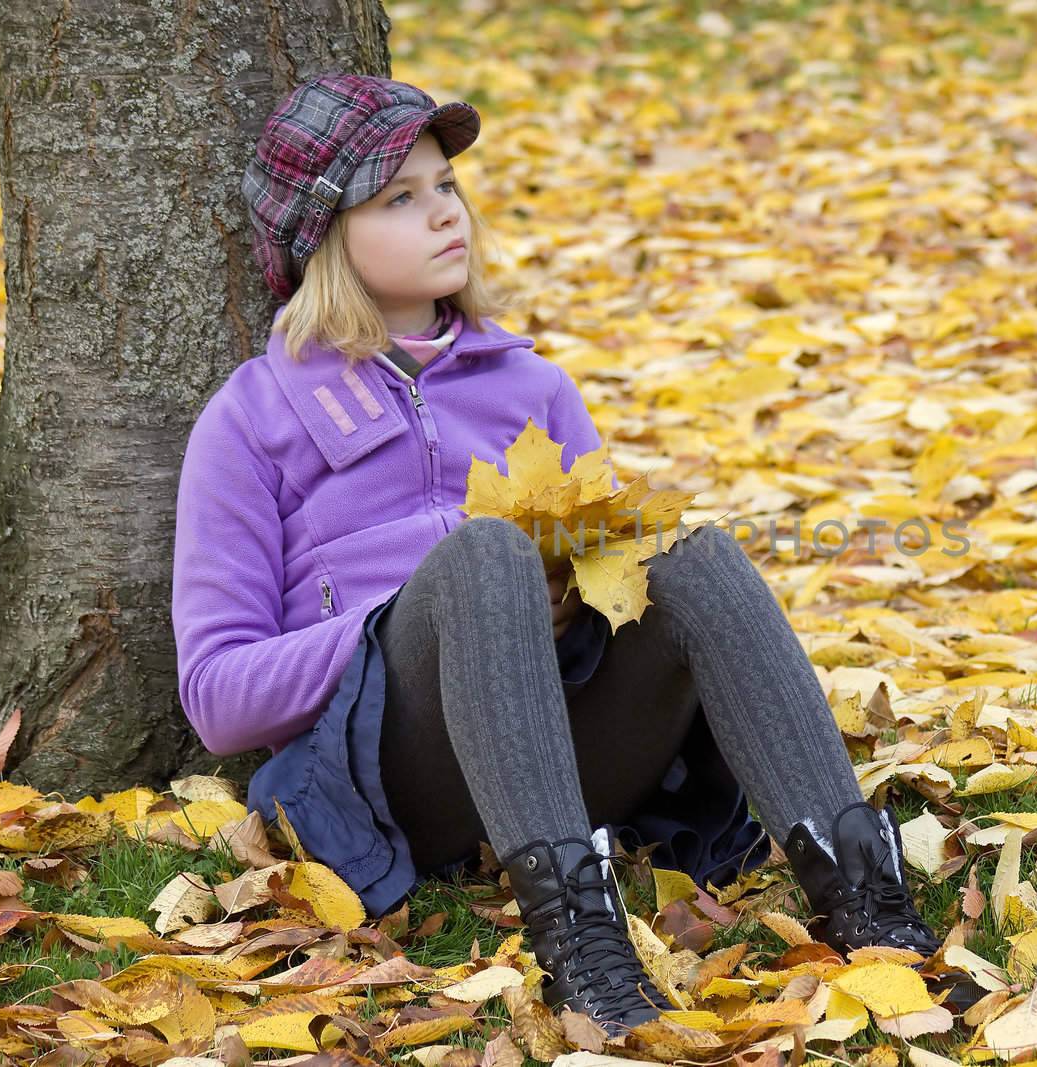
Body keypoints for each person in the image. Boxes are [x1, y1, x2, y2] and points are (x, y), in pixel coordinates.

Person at [171, 73, 971, 1037]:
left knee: (685, 550)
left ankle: (869, 907)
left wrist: (572, 593)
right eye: (399, 198)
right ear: (324, 238)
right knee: (482, 558)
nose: (443, 215)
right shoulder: (253, 417)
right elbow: (216, 696)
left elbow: (621, 571)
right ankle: (584, 949)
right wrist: (403, 624)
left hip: (565, 748)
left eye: (446, 187)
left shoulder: (532, 384)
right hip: (393, 785)